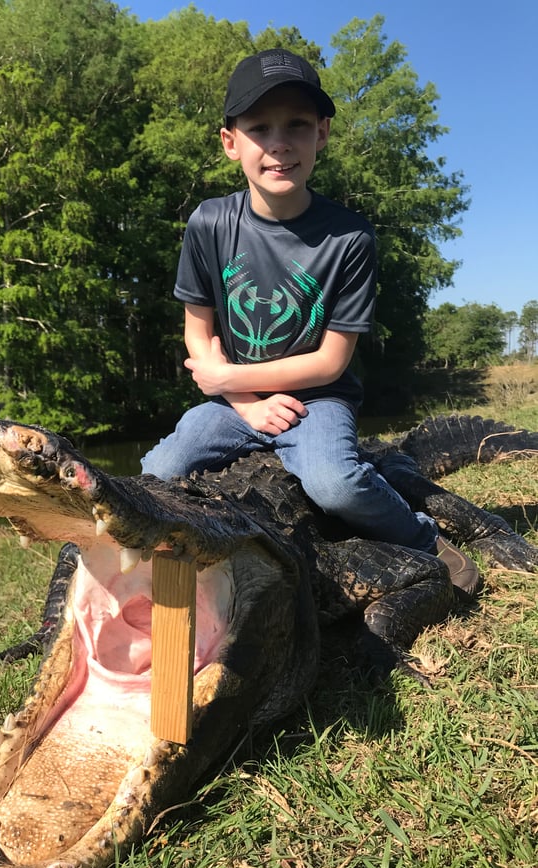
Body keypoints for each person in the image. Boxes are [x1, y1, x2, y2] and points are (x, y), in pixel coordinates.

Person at [141, 48, 479, 595]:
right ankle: (159, 575)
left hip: (318, 398)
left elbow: (332, 359)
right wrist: (246, 403)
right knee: (160, 466)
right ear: (231, 143)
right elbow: (197, 331)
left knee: (336, 482)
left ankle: (422, 539)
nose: (279, 143)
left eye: (297, 125)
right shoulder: (209, 222)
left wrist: (229, 379)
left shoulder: (349, 237)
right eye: (259, 127)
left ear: (321, 134)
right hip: (236, 404)